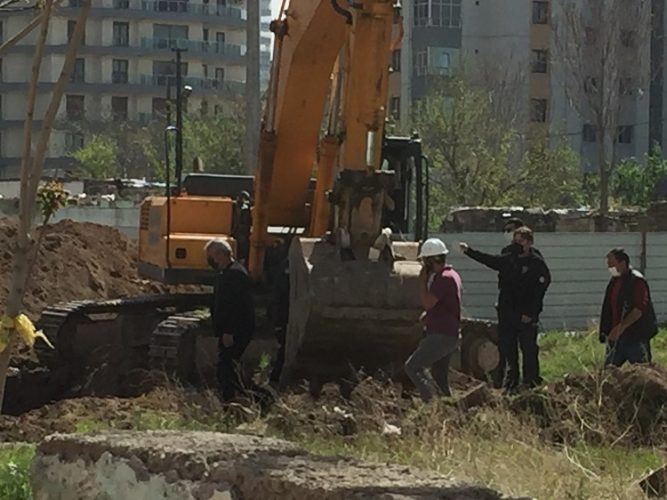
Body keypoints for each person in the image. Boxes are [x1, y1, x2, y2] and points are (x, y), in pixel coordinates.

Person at [460, 227, 550, 393]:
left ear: (529, 243)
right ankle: (511, 383)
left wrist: (530, 313)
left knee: (529, 350)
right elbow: (491, 261)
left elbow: (540, 290)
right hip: (507, 313)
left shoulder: (536, 263)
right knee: (508, 350)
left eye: (520, 241)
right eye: (514, 240)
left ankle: (531, 382)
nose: (516, 244)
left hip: (526, 316)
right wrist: (469, 251)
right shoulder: (509, 259)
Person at [404, 238, 462, 402]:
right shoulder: (452, 275)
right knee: (439, 375)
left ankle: (432, 403)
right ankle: (448, 406)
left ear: (431, 261)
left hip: (441, 335)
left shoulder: (443, 278)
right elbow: (443, 304)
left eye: (424, 262)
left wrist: (422, 282)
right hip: (450, 333)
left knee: (413, 367)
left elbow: (428, 302)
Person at [205, 239, 255, 402]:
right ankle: (235, 402)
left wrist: (228, 331)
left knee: (227, 370)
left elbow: (234, 306)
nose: (211, 260)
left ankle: (244, 401)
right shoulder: (227, 273)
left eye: (212, 256)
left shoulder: (235, 275)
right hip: (229, 331)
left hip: (235, 331)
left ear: (220, 254)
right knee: (227, 369)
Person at [599, 248, 657, 367]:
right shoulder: (614, 282)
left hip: (635, 337)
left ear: (623, 263)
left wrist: (621, 328)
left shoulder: (637, 281)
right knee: (608, 374)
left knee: (643, 374)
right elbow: (608, 308)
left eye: (612, 264)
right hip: (615, 339)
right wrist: (606, 331)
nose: (610, 268)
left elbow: (639, 310)